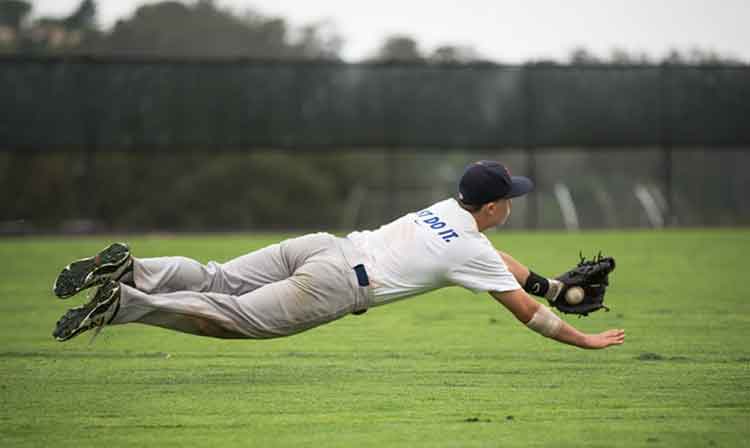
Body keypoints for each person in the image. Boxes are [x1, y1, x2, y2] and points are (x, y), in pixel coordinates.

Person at [52, 161, 625, 349]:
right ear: (494, 205)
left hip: (324, 245)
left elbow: (500, 260)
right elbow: (526, 313)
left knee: (216, 277)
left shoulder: (448, 211)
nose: (512, 206)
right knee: (230, 318)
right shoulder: (472, 250)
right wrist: (584, 339)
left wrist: (552, 285)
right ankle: (122, 302)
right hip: (339, 284)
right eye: (510, 199)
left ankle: (133, 269)